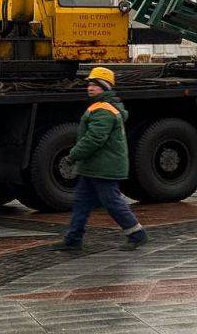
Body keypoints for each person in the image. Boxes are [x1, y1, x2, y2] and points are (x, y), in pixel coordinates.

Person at [51, 67, 148, 252]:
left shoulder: (104, 110)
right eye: (89, 84)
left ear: (104, 87)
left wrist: (73, 155)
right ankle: (73, 239)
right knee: (81, 202)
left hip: (105, 167)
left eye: (95, 85)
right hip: (93, 167)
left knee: (111, 201)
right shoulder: (99, 107)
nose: (90, 87)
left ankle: (137, 234)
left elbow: (94, 139)